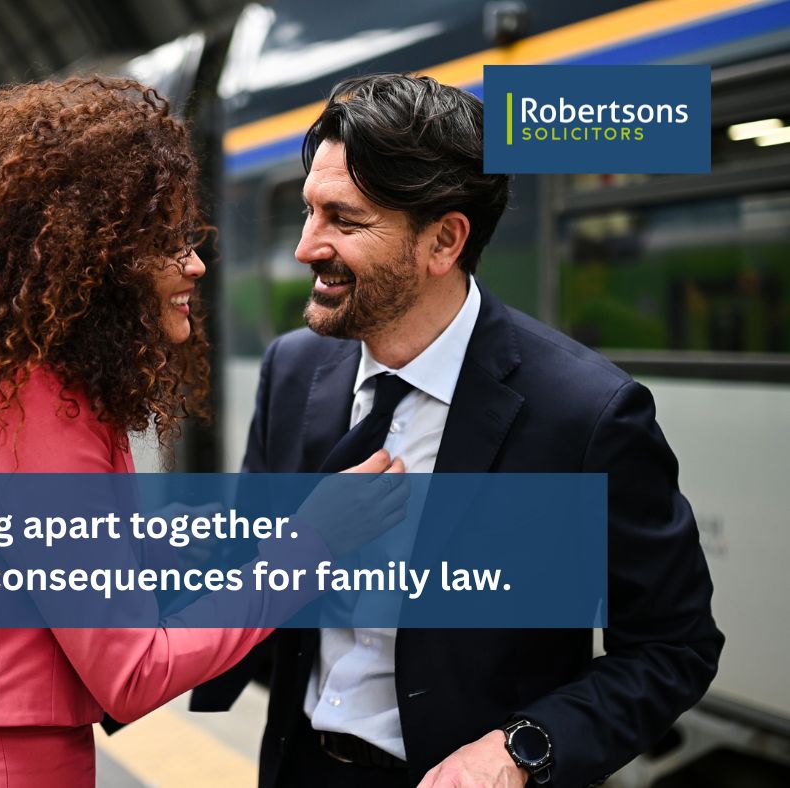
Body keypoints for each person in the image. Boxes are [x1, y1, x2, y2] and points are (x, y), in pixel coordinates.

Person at [0, 75, 404, 787]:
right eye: (164, 242)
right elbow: (133, 670)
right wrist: (318, 542)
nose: (194, 263)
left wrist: (171, 535)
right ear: (88, 260)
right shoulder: (45, 410)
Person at [191, 74, 725, 788]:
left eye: (343, 222)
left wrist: (520, 750)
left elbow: (672, 647)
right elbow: (248, 563)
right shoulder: (293, 370)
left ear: (444, 240)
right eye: (308, 211)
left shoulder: (586, 415)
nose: (304, 247)